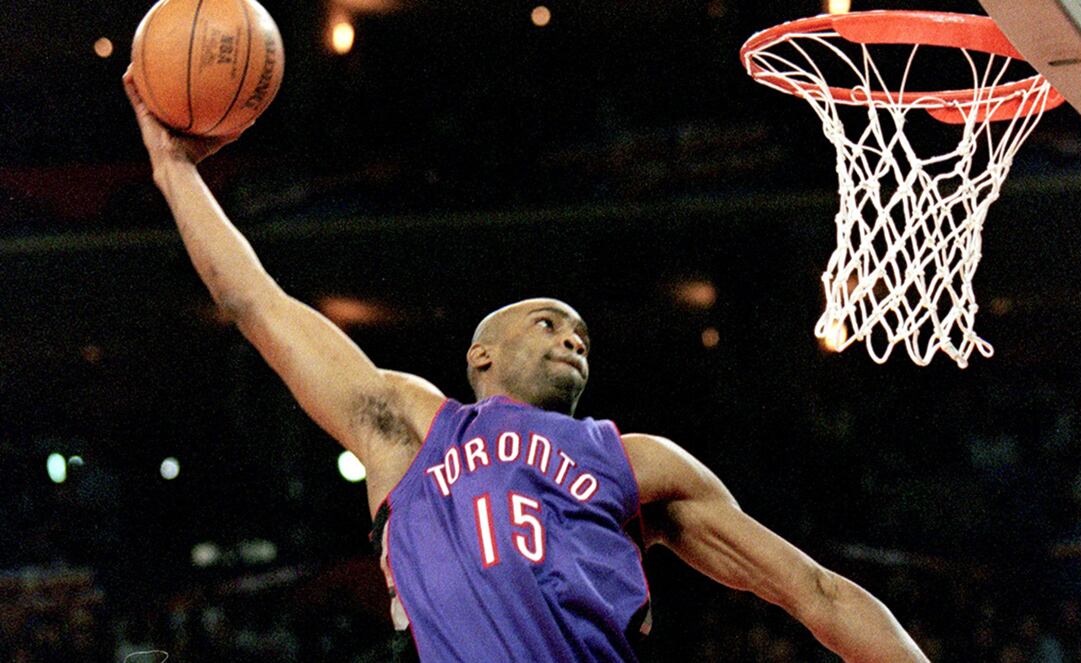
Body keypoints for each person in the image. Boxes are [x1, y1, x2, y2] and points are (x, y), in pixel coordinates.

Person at [123, 70, 929, 663]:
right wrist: (175, 171)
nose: (573, 335)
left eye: (580, 330)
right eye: (548, 322)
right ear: (482, 355)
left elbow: (811, 589)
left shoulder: (638, 461)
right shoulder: (410, 427)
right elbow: (259, 304)